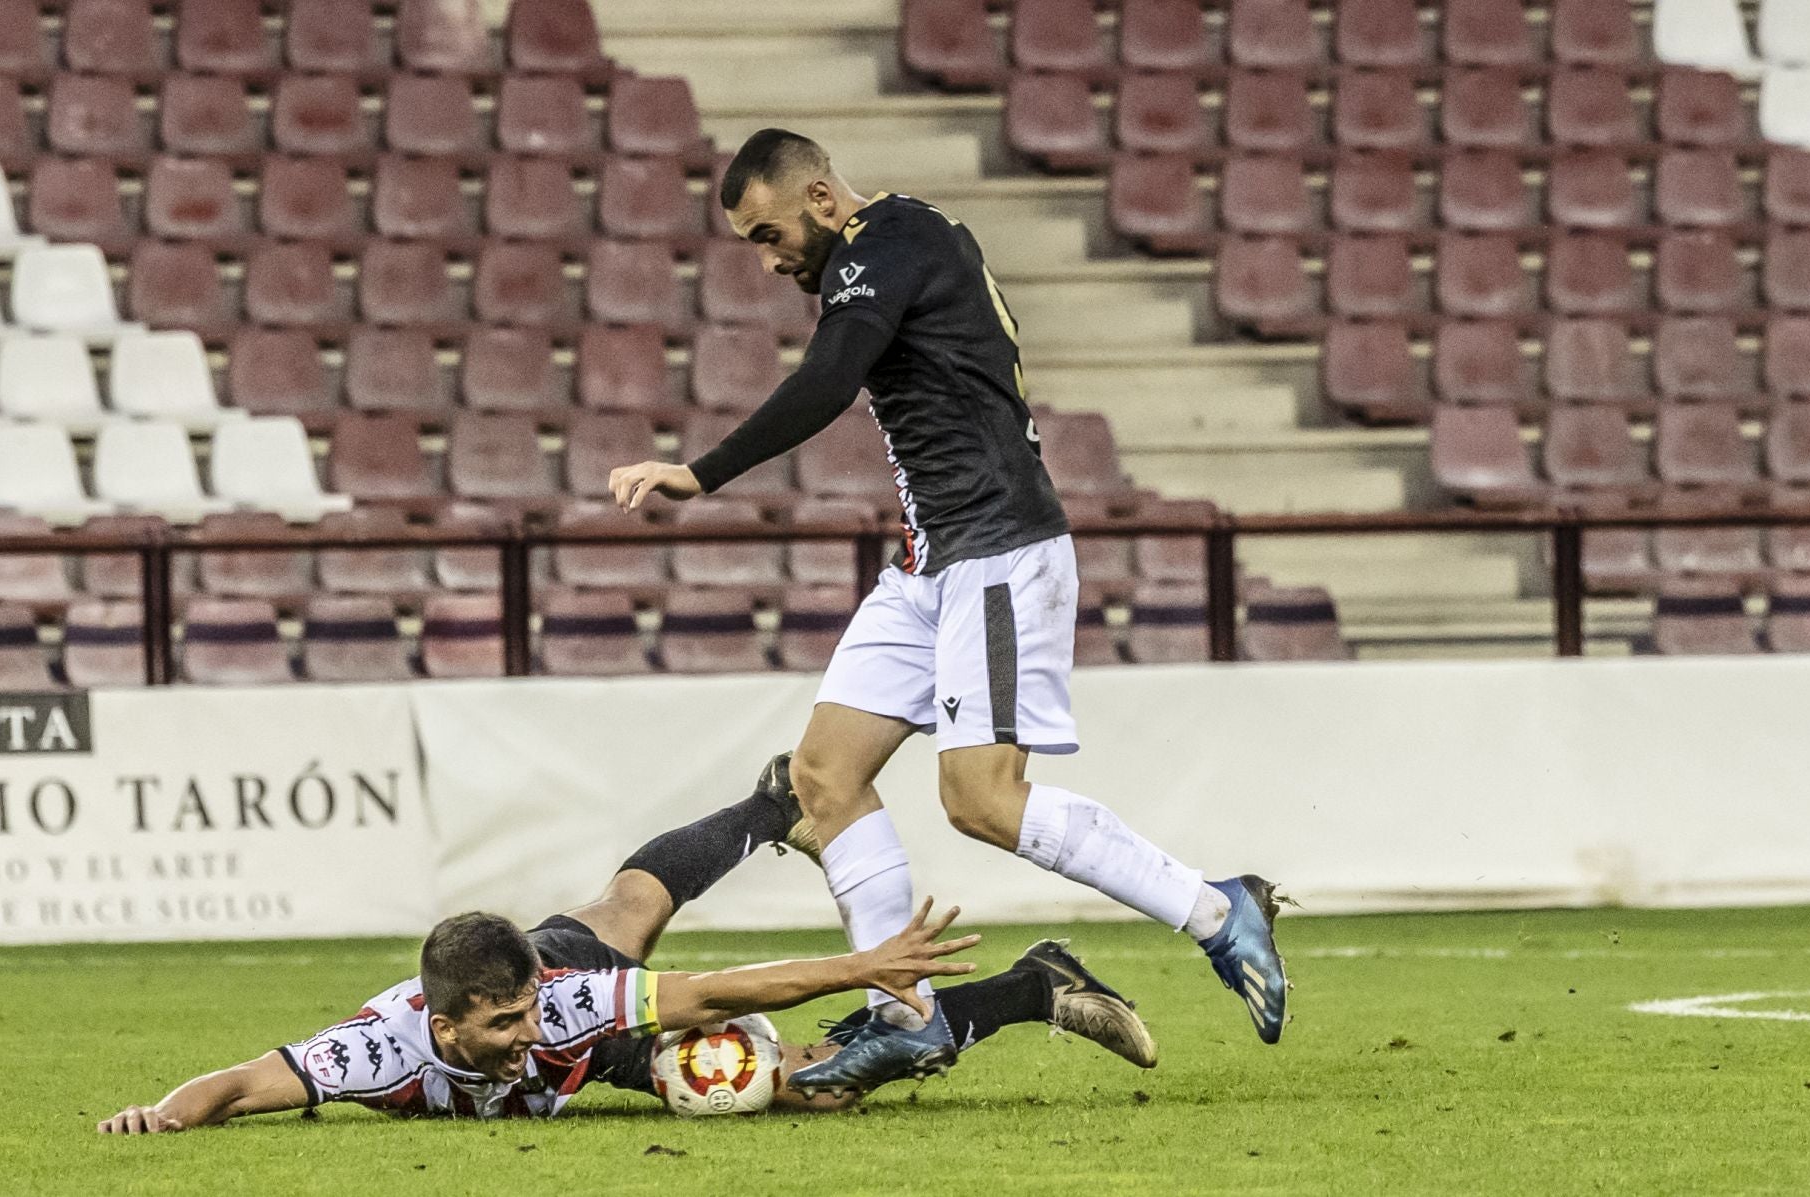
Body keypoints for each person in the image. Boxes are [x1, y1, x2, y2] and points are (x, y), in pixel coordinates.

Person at [607, 129, 1290, 1095]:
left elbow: (827, 381)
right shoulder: (882, 252)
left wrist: (697, 472)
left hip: (1001, 552)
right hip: (932, 562)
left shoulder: (889, 240)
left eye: (769, 234)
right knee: (823, 775)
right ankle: (908, 1020)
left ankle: (1219, 911)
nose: (768, 261)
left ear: (817, 194)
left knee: (981, 800)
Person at [97, 755, 1156, 1133]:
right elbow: (239, 1085)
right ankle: (763, 806)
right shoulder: (377, 1051)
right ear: (443, 1020)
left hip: (592, 1027)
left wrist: (863, 967)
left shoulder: (549, 1005)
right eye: (500, 1022)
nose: (518, 1031)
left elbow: (713, 991)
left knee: (799, 1085)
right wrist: (161, 1114)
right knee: (624, 907)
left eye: (524, 1009)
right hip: (564, 967)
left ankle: (1028, 988)